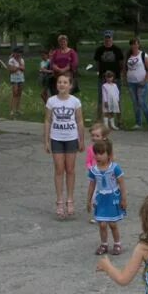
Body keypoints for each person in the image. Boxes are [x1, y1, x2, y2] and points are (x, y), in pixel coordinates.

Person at [44, 74, 85, 219]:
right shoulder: (51, 101)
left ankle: (70, 199)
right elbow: (48, 121)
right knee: (59, 169)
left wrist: (81, 140)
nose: (62, 84)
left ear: (70, 85)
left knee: (70, 169)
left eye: (65, 82)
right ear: (56, 85)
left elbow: (79, 121)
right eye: (59, 82)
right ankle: (60, 201)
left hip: (71, 138)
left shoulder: (75, 101)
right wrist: (46, 140)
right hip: (56, 138)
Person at [87, 140, 126, 255]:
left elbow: (122, 183)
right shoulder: (94, 170)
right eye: (96, 153)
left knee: (113, 224)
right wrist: (88, 200)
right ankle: (104, 244)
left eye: (101, 153)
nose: (98, 156)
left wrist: (123, 199)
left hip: (112, 198)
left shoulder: (114, 168)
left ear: (108, 154)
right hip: (101, 199)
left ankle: (117, 243)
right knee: (102, 224)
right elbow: (92, 185)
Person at [94, 30, 124, 123]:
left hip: (115, 78)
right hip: (102, 78)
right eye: (106, 38)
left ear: (112, 38)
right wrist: (99, 73)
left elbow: (121, 64)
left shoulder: (117, 50)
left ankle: (119, 120)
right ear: (104, 39)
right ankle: (99, 119)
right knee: (101, 98)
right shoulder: (99, 50)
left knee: (116, 99)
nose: (107, 40)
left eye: (109, 38)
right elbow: (98, 63)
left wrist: (120, 75)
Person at [85, 123, 111, 224]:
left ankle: (105, 214)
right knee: (94, 197)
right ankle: (98, 215)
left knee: (105, 195)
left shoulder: (107, 149)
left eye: (97, 136)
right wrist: (91, 168)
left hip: (105, 175)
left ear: (104, 137)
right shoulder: (90, 149)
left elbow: (111, 161)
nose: (94, 138)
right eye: (93, 135)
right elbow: (88, 161)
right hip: (94, 175)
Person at [125, 39, 148, 129]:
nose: (134, 46)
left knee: (143, 102)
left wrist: (145, 80)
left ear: (139, 45)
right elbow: (125, 68)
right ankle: (138, 122)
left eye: (136, 44)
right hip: (131, 82)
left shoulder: (144, 55)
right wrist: (125, 79)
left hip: (141, 82)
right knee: (135, 103)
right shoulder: (128, 56)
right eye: (132, 44)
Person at [7, 47, 25, 118]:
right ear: (14, 53)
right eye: (17, 53)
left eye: (20, 53)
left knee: (19, 94)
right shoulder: (11, 60)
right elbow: (11, 70)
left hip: (21, 78)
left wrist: (18, 66)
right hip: (14, 79)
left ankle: (18, 109)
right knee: (15, 93)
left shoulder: (22, 60)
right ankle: (12, 110)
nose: (19, 54)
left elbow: (23, 69)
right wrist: (18, 68)